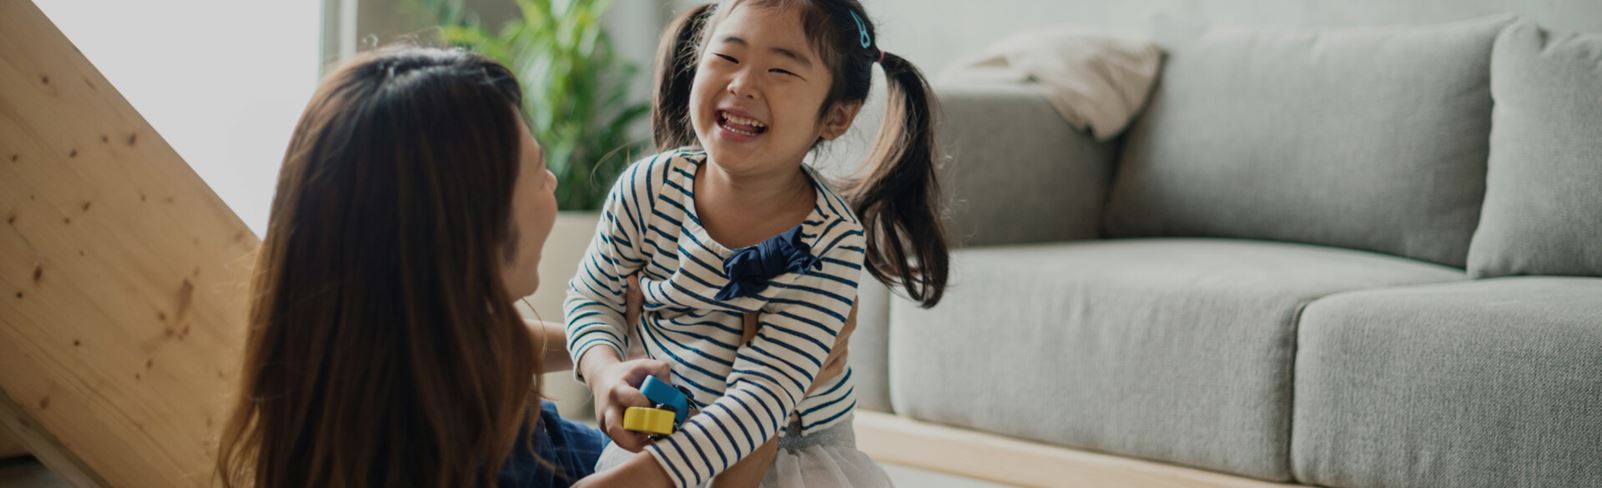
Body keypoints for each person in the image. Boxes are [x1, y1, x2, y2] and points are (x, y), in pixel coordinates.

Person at [211, 47, 852, 488]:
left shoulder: (356, 369)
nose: (551, 180)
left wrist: (601, 360)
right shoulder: (478, 462)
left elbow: (474, 339)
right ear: (466, 236)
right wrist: (777, 392)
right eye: (535, 169)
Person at [565, 1, 950, 486]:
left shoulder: (828, 243)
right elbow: (592, 295)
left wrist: (641, 480)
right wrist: (603, 372)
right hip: (661, 440)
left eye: (781, 69)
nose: (743, 83)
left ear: (835, 117)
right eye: (727, 57)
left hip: (787, 458)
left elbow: (760, 400)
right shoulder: (648, 188)